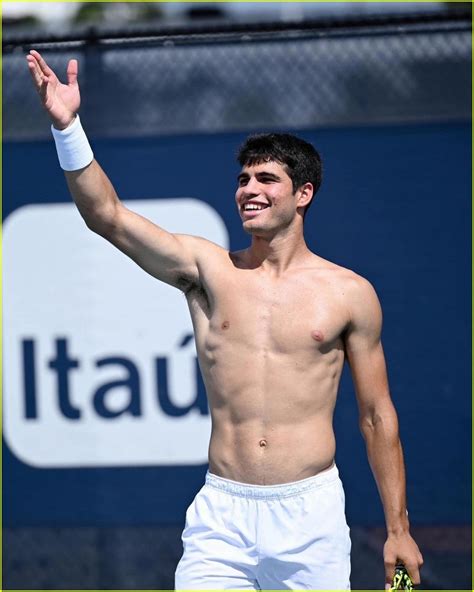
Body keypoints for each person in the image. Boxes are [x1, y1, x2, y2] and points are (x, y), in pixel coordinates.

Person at [26, 49, 423, 591]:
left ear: (303, 194)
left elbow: (378, 417)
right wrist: (68, 127)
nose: (249, 190)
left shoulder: (350, 293)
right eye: (243, 179)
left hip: (311, 516)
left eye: (266, 179)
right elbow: (107, 216)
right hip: (222, 517)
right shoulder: (207, 269)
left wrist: (398, 530)